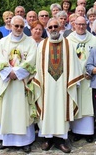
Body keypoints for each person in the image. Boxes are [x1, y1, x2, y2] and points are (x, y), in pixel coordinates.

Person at [33, 18, 83, 153]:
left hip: (63, 86)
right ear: (47, 29)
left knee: (62, 109)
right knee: (47, 109)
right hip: (46, 87)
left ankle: (60, 140)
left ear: (60, 27)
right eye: (50, 27)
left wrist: (74, 82)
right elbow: (37, 66)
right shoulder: (42, 45)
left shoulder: (68, 44)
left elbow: (75, 64)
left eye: (56, 26)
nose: (53, 29)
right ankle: (47, 139)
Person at [0, 15, 37, 153]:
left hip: (22, 82)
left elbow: (31, 60)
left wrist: (16, 73)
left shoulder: (30, 42)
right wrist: (9, 73)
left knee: (22, 110)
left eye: (21, 26)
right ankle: (6, 140)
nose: (18, 28)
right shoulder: (2, 42)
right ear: (10, 26)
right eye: (16, 26)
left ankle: (25, 141)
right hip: (7, 83)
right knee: (7, 109)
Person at [67, 16, 96, 143]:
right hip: (74, 78)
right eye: (78, 24)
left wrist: (92, 71)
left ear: (87, 25)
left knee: (88, 105)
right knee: (76, 103)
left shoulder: (94, 40)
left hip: (89, 78)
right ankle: (76, 131)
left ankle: (88, 132)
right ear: (74, 25)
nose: (81, 27)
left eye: (83, 24)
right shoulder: (68, 40)